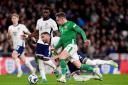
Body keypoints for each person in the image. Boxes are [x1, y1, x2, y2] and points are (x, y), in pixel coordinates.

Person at [50, 12, 103, 83]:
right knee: (79, 66)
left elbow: (80, 31)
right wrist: (55, 48)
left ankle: (63, 77)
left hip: (72, 46)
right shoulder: (60, 27)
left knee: (61, 57)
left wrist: (85, 39)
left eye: (58, 20)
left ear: (62, 18)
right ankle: (95, 70)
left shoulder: (71, 24)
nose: (57, 22)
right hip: (67, 48)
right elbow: (62, 40)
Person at [8, 13, 36, 78]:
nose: (14, 19)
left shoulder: (22, 26)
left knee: (14, 55)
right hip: (15, 45)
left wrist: (34, 39)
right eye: (12, 18)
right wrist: (9, 35)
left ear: (18, 19)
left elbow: (28, 33)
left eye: (15, 18)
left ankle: (20, 71)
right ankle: (32, 69)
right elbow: (8, 38)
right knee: (23, 58)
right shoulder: (10, 27)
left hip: (21, 44)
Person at [35, 7, 59, 82]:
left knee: (45, 59)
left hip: (47, 44)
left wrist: (55, 43)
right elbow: (36, 32)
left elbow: (56, 32)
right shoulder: (39, 21)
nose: (45, 13)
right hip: (39, 43)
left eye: (47, 12)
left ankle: (54, 68)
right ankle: (44, 79)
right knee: (40, 61)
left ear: (49, 13)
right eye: (44, 12)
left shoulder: (52, 22)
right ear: (42, 12)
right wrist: (35, 39)